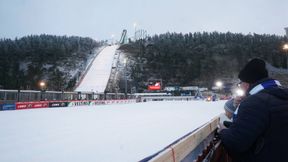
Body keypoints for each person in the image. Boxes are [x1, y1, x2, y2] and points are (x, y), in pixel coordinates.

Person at [219, 58, 288, 162]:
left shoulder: (255, 102)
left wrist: (223, 131)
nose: (240, 86)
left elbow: (236, 143)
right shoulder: (279, 94)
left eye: (240, 83)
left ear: (246, 84)